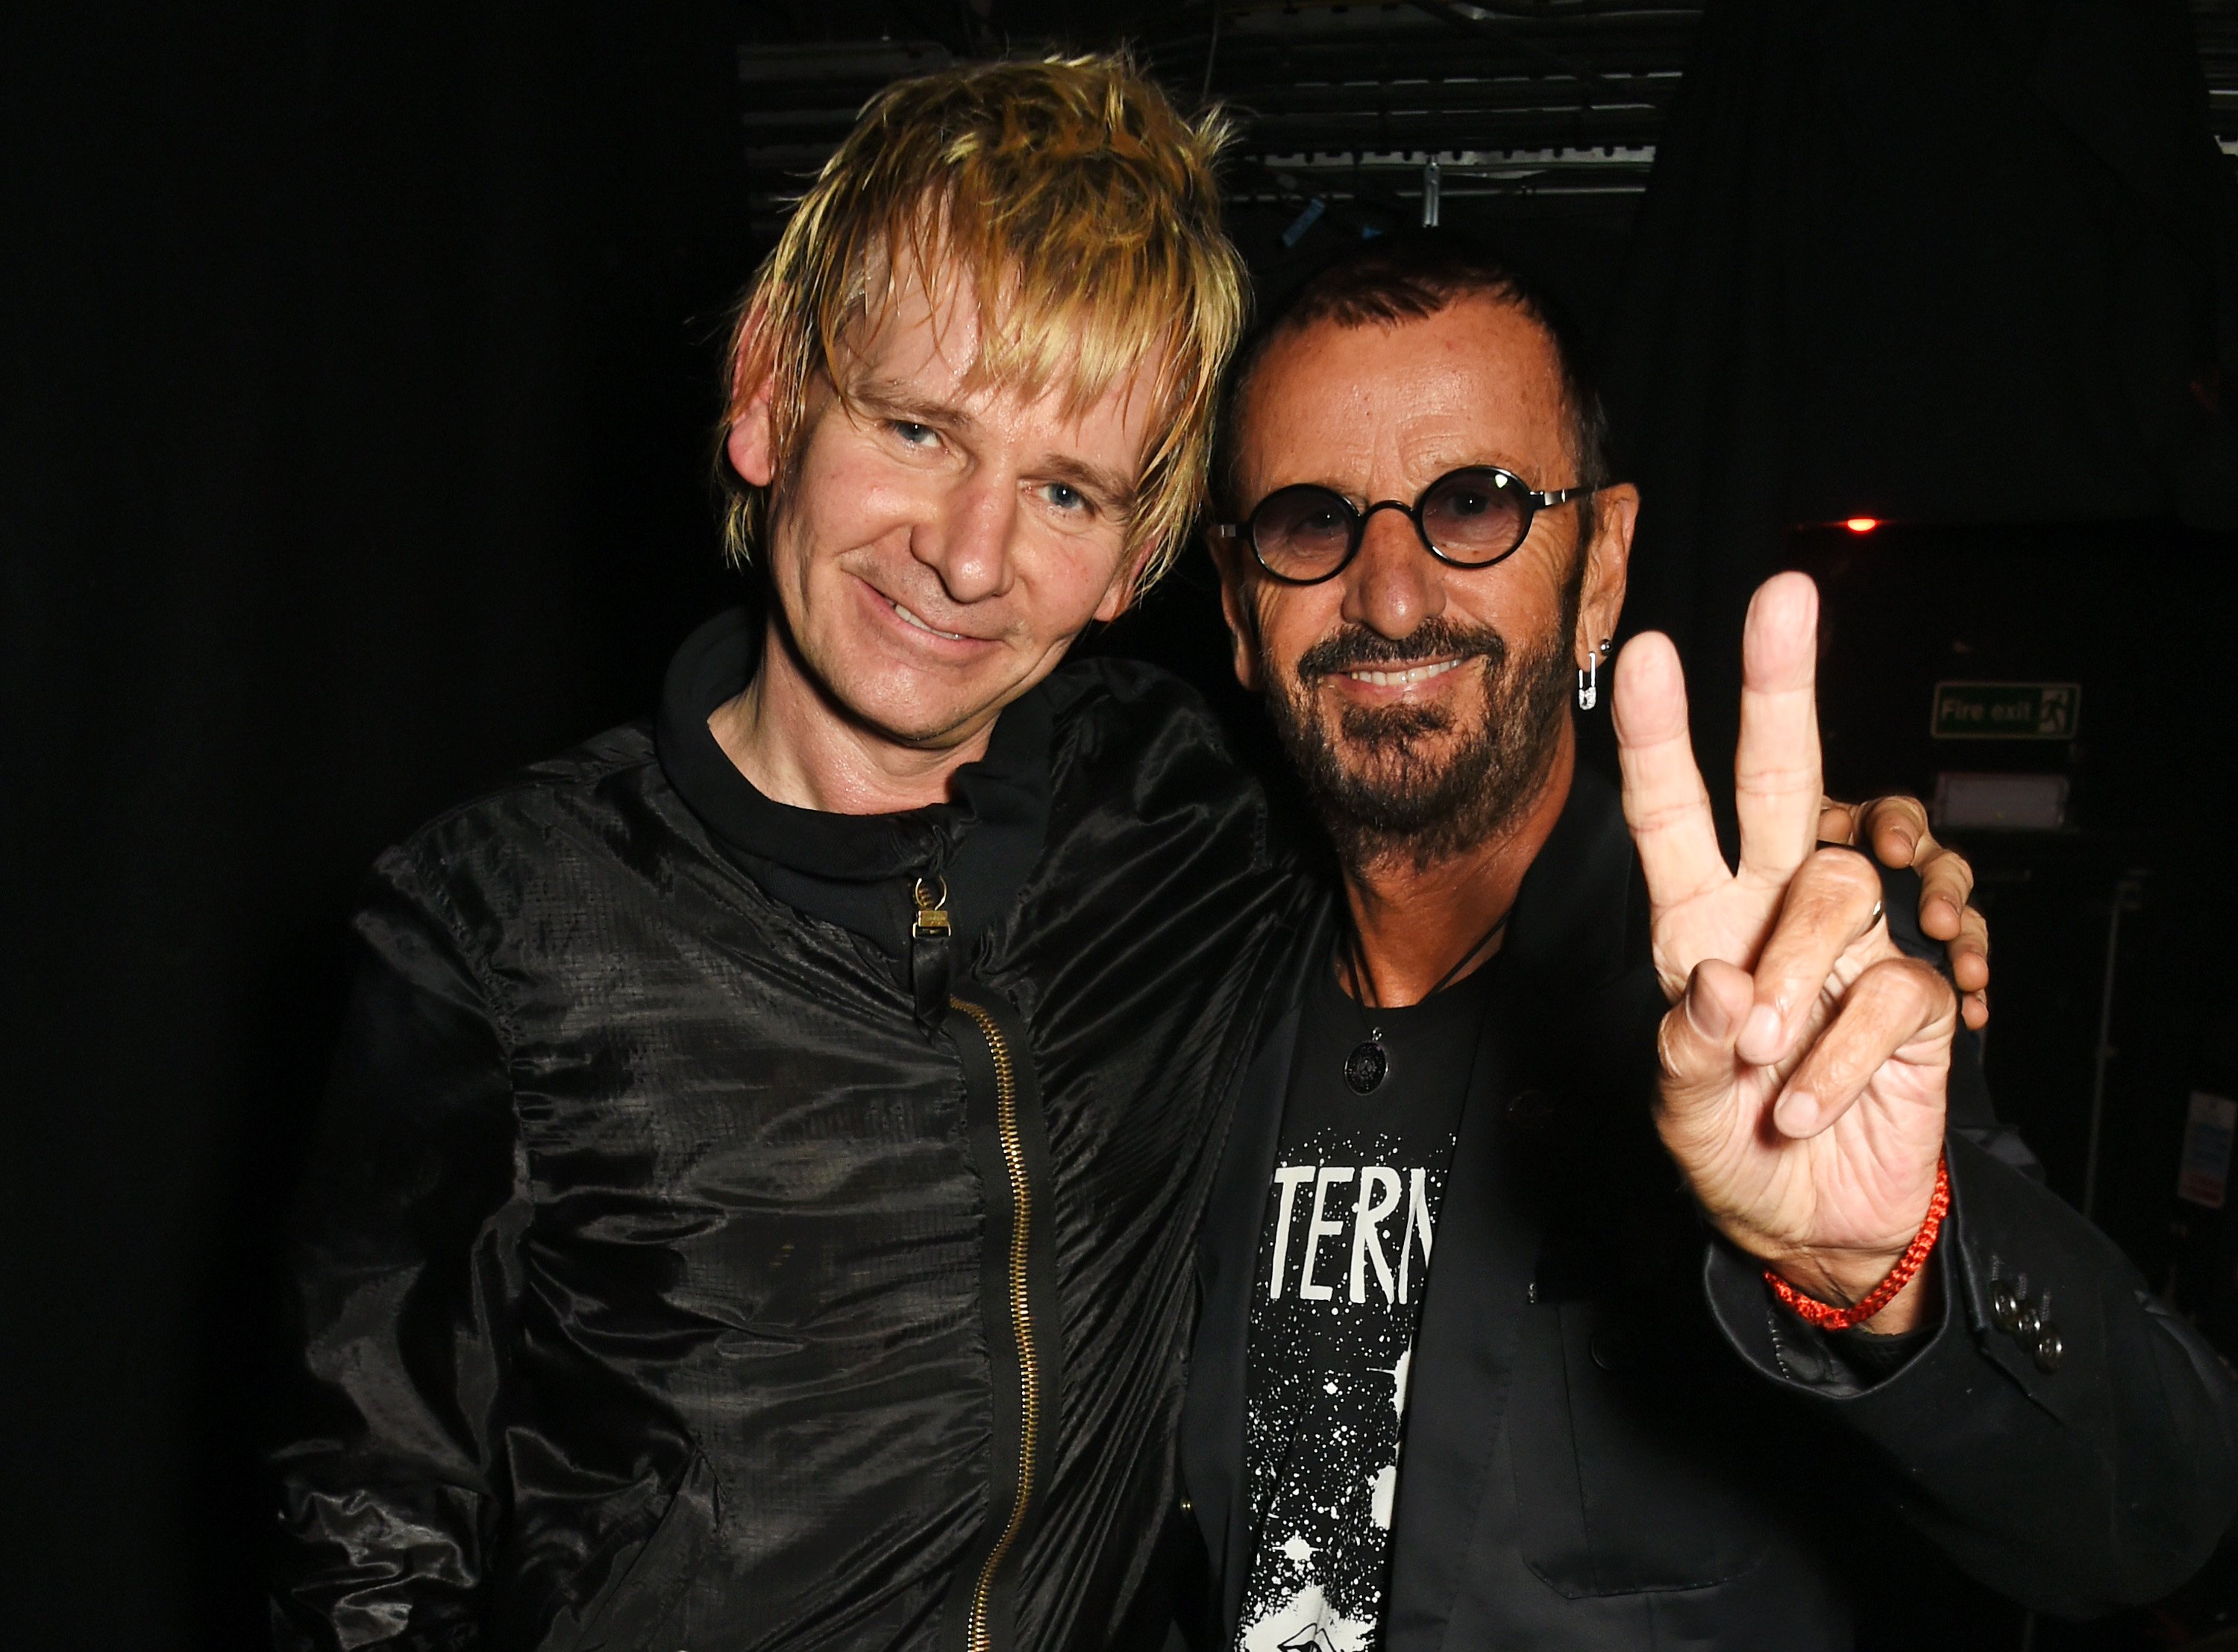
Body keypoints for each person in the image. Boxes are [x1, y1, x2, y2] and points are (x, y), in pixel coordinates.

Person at [266, 56, 1978, 1652]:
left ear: (1144, 554)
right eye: (917, 429)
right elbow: (364, 1540)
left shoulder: (1186, 823)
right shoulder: (498, 924)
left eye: (1069, 491)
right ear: (768, 407)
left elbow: (1452, 785)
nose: (966, 554)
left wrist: (1861, 870)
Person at [1178, 233, 2238, 1651]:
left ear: (1600, 565)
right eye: (1314, 522)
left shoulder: (1788, 972)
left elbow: (2156, 1515)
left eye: (1473, 503)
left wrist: (1884, 1275)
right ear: (1239, 604)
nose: (1389, 593)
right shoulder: (1178, 971)